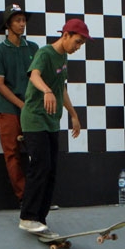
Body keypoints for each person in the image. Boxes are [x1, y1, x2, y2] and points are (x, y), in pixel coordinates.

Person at [18, 19, 88, 234]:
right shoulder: (46, 53)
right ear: (65, 35)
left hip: (51, 121)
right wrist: (46, 91)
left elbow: (62, 88)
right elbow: (34, 75)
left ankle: (40, 217)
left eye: (81, 44)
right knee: (40, 167)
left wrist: (74, 114)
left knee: (51, 171)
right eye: (76, 42)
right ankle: (27, 217)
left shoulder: (63, 57)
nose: (77, 47)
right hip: (34, 119)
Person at [0, 3, 39, 203]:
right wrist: (21, 104)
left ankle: (38, 196)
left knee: (38, 152)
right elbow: (0, 85)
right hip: (8, 109)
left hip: (33, 108)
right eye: (17, 20)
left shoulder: (34, 48)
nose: (22, 24)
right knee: (12, 154)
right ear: (8, 25)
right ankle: (24, 197)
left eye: (23, 20)